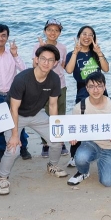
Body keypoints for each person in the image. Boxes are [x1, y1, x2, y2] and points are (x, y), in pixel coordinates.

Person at [0, 44, 67, 196]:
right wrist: (15, 135)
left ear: (55, 63)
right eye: (43, 59)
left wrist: (56, 130)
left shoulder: (54, 79)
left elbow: (53, 105)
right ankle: (2, 177)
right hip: (15, 115)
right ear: (36, 59)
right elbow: (13, 109)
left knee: (57, 142)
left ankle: (52, 165)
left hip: (37, 114)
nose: (46, 63)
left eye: (50, 60)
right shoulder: (22, 79)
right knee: (13, 149)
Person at [0, 24, 31, 164]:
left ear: (7, 37)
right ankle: (1, 150)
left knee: (18, 122)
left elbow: (24, 71)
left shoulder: (12, 54)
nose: (0, 38)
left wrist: (15, 54)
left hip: (14, 94)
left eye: (3, 35)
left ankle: (23, 148)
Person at [67, 72, 111, 187]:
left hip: (109, 146)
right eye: (91, 86)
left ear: (104, 87)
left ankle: (105, 161)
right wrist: (72, 137)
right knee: (80, 157)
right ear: (87, 88)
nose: (95, 90)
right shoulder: (80, 107)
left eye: (99, 86)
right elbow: (74, 129)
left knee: (108, 182)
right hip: (91, 143)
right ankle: (83, 172)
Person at [38, 19, 67, 159]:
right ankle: (45, 143)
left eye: (56, 30)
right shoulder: (38, 46)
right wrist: (43, 49)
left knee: (60, 114)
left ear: (60, 33)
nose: (52, 33)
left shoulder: (62, 48)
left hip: (60, 85)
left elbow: (63, 66)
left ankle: (60, 141)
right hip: (43, 86)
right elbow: (34, 66)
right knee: (45, 115)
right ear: (45, 31)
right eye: (49, 30)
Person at [65, 25, 109, 104]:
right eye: (84, 34)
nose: (87, 37)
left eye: (90, 35)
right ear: (79, 36)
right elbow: (69, 70)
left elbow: (106, 69)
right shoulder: (71, 54)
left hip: (99, 89)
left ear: (93, 38)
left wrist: (99, 53)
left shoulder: (96, 52)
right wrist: (75, 52)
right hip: (83, 90)